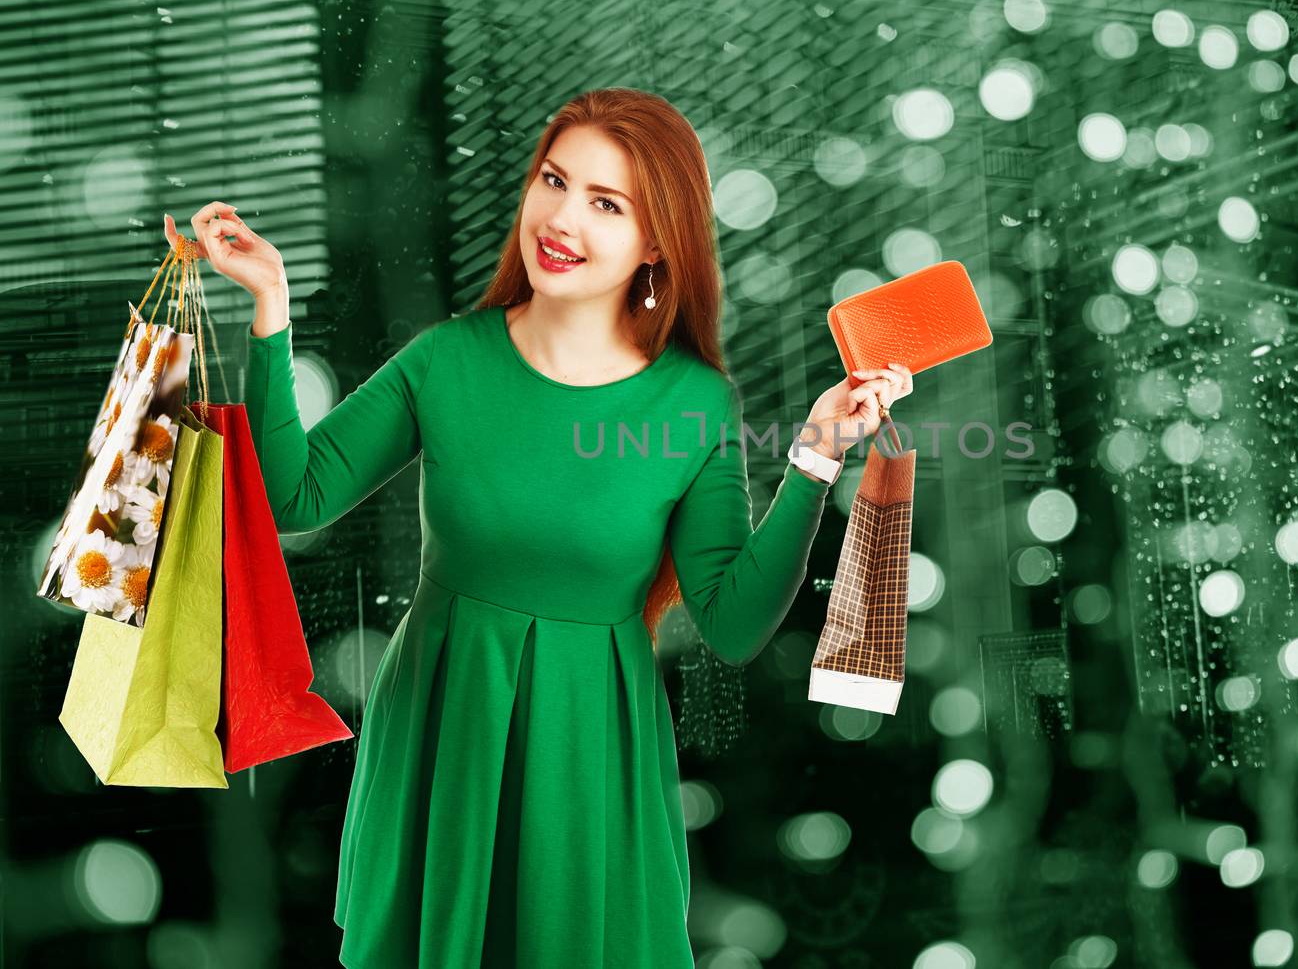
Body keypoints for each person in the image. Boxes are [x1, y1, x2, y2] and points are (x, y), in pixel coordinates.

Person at [163, 86, 914, 968]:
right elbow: (295, 497)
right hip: (441, 730)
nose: (561, 218)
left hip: (589, 745)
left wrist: (818, 457)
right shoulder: (449, 358)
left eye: (605, 203)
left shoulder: (694, 402)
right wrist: (271, 306)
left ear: (659, 242)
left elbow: (734, 623)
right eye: (554, 181)